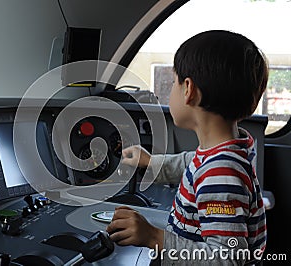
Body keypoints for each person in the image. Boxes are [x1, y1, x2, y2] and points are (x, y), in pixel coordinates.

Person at [106, 30, 268, 265]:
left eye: (174, 82)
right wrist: (151, 162)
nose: (172, 88)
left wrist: (154, 237)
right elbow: (192, 162)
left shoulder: (221, 172)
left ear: (188, 89)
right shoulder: (227, 151)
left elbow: (226, 258)